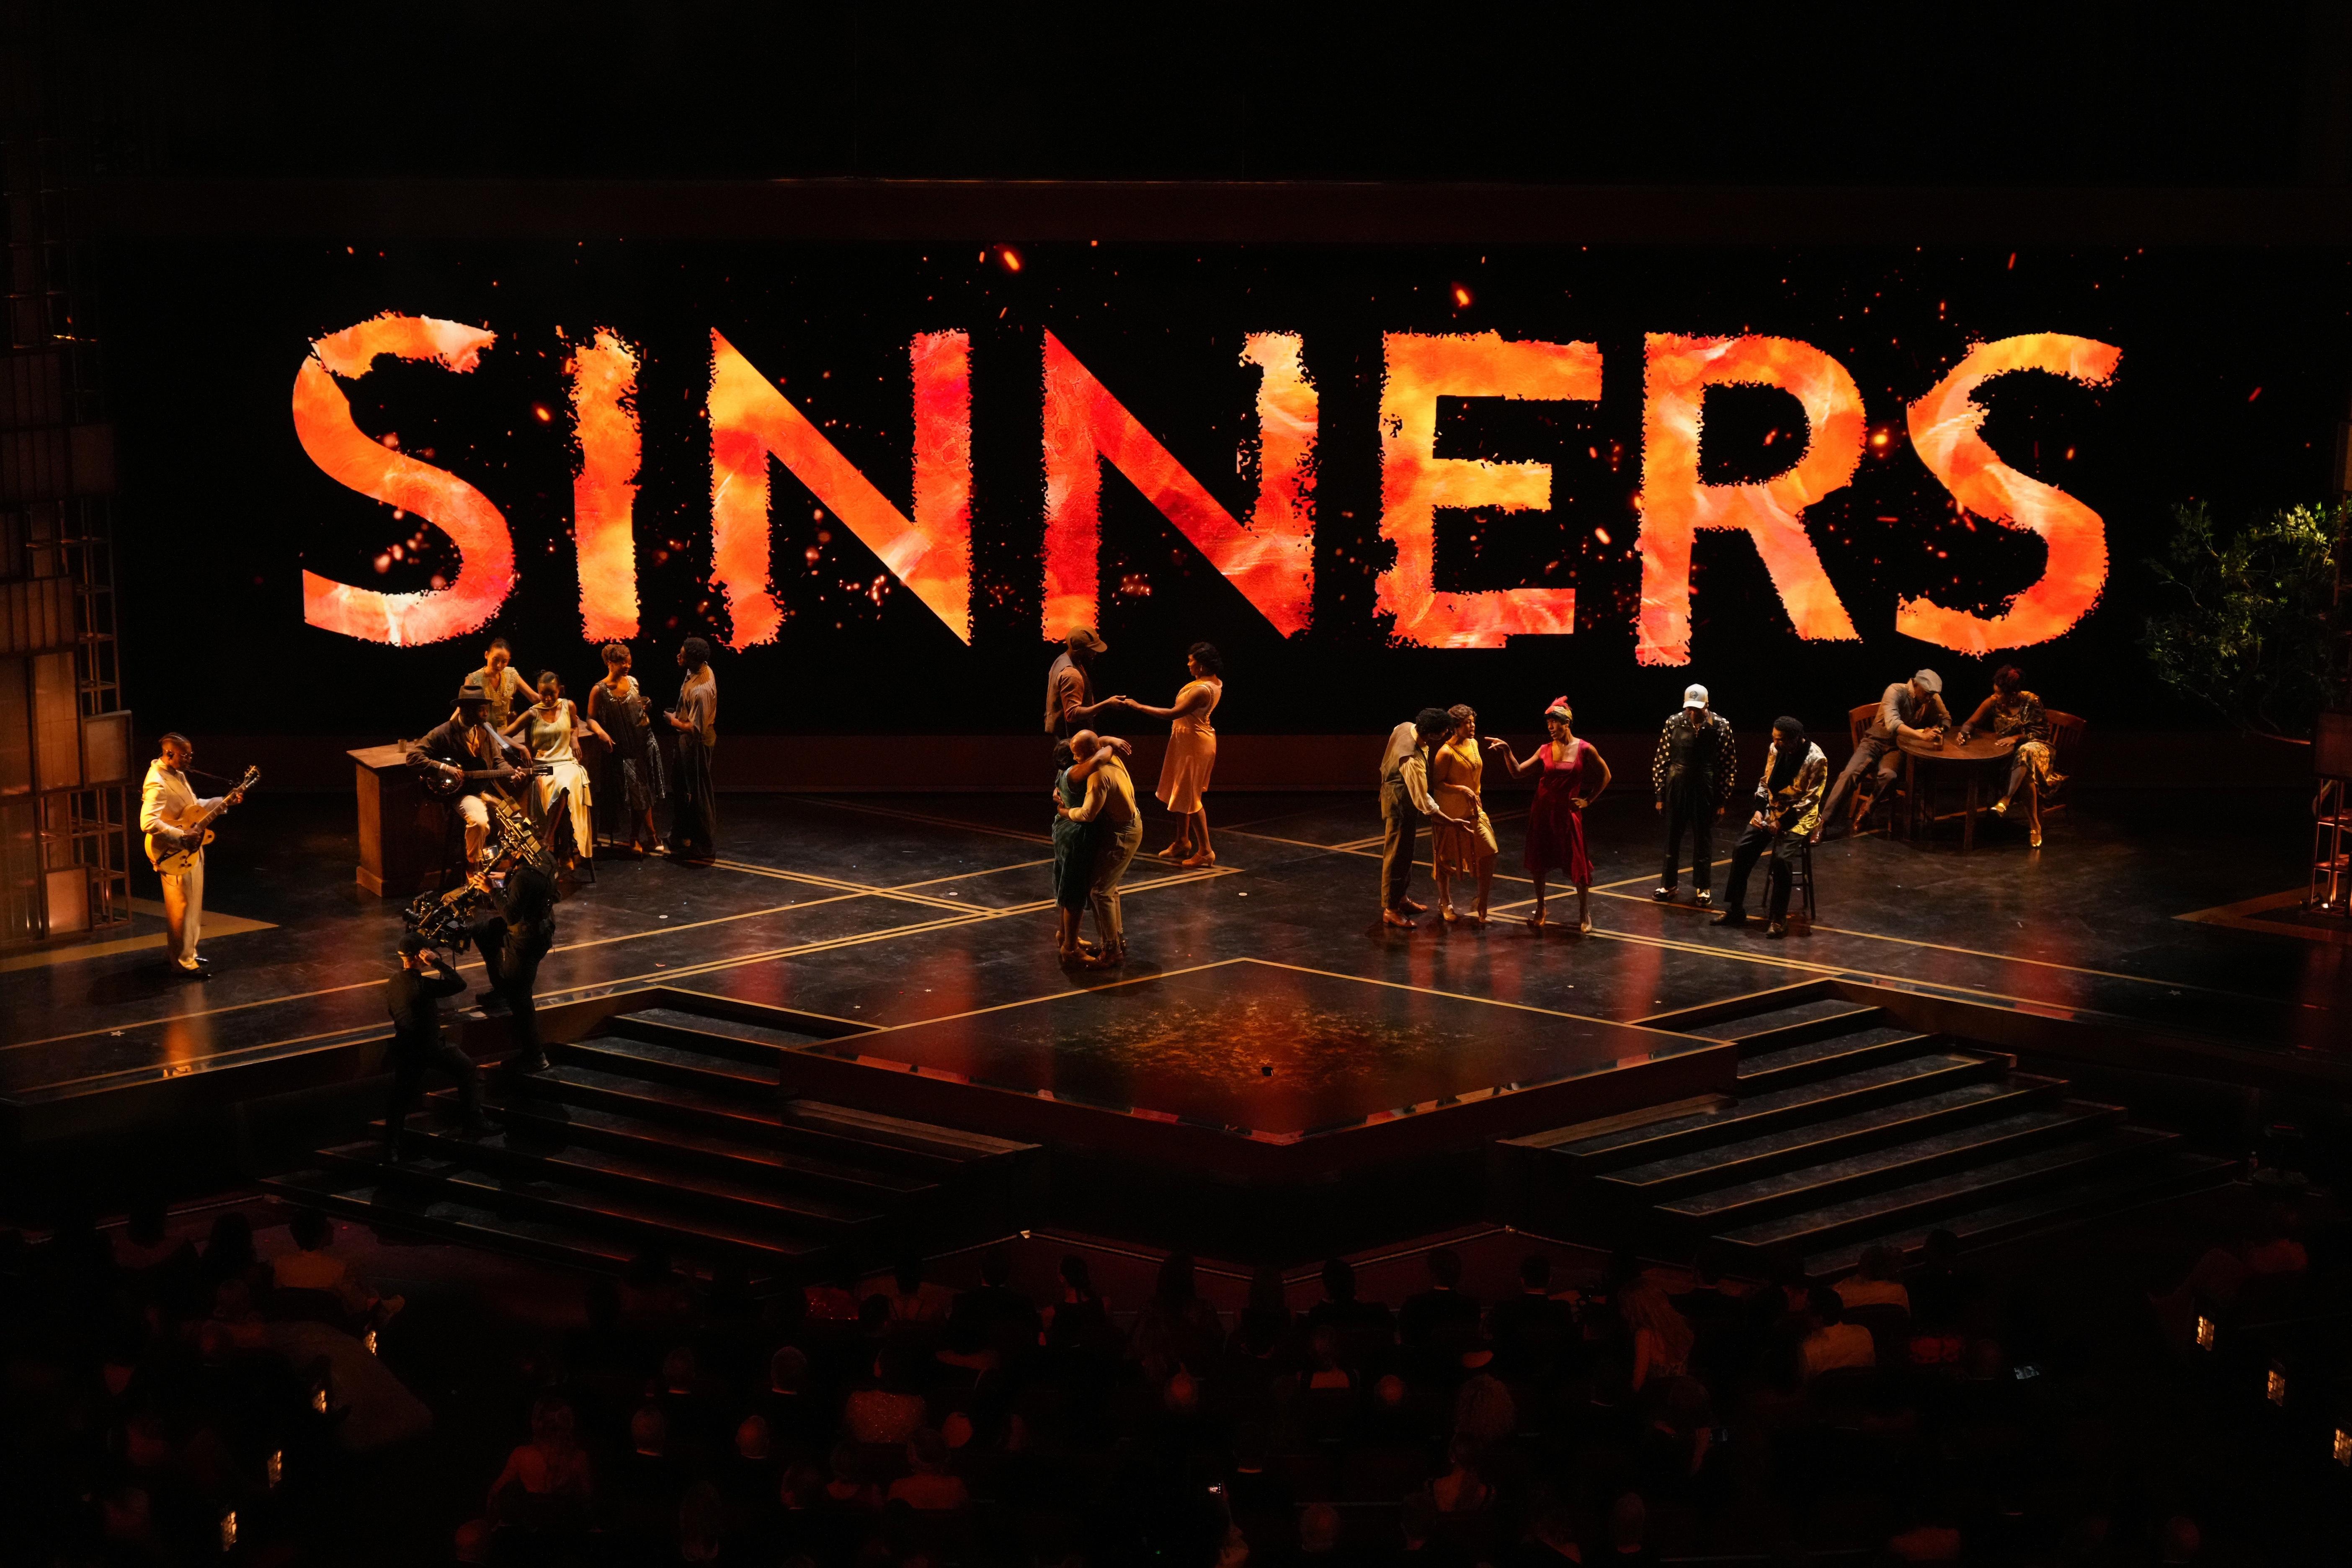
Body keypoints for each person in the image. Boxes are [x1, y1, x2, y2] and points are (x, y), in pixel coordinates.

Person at [1490, 697, 1611, 933]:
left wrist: (1588, 800)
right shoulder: (1545, 749)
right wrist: (1507, 751)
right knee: (1539, 862)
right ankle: (1541, 907)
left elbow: (1606, 776)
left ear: (1567, 723)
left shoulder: (1585, 749)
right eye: (1549, 725)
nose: (1551, 728)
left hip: (1568, 814)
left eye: (1555, 723)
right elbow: (1517, 773)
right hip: (1543, 812)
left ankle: (1584, 912)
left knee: (1577, 863)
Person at [1112, 641, 1223, 867]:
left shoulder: (1203, 690)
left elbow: (1172, 714)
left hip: (1195, 744)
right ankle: (1182, 841)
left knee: (1191, 797)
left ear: (1201, 666)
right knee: (1180, 791)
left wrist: (1137, 706)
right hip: (1186, 740)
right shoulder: (1208, 682)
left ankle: (1206, 851)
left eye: (1192, 661)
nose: (1188, 664)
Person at [1715, 716, 1826, 939]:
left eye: (1781, 740)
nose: (1776, 743)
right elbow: (1765, 782)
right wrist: (1759, 808)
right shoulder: (1775, 750)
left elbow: (1812, 800)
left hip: (1799, 816)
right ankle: (1736, 910)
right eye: (1774, 738)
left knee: (1781, 860)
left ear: (1796, 739)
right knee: (1742, 848)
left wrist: (1782, 822)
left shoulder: (1816, 759)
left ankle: (1779, 919)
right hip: (1773, 810)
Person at [139, 732, 240, 980]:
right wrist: (181, 838)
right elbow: (147, 822)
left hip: (189, 848)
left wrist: (223, 801)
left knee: (192, 904)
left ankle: (187, 953)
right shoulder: (157, 782)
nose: (189, 760)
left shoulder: (177, 774)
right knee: (182, 907)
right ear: (169, 754)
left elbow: (193, 807)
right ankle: (182, 962)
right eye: (185, 756)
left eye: (190, 755)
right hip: (174, 850)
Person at [408, 682, 535, 868]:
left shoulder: (486, 729)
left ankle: (512, 870)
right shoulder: (444, 732)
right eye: (481, 710)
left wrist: (511, 774)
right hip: (462, 794)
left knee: (516, 820)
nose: (485, 714)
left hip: (486, 789)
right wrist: (444, 768)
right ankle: (473, 869)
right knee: (480, 822)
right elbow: (413, 758)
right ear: (465, 710)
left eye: (485, 709)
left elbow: (497, 761)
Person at [383, 931, 485, 1160]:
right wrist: (438, 963)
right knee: (467, 1068)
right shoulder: (422, 985)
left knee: (400, 1099)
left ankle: (391, 1148)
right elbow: (459, 984)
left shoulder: (394, 981)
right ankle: (473, 1122)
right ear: (420, 956)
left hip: (405, 1047)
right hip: (429, 1047)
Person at [1819, 668, 1949, 837]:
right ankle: (1823, 824)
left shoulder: (1931, 699)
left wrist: (1938, 729)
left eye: (1932, 695)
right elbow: (1894, 724)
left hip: (1897, 747)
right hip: (1875, 742)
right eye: (1927, 694)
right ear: (1915, 684)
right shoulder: (1896, 690)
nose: (1930, 698)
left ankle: (1868, 809)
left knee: (1889, 776)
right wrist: (1921, 736)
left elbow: (1946, 718)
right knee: (1849, 775)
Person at [1377, 707, 1472, 929]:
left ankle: (1400, 899)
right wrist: (1449, 819)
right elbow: (1423, 801)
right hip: (1400, 802)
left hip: (1398, 794)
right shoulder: (1412, 759)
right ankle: (1391, 910)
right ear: (1433, 734)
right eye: (1444, 731)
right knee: (1397, 854)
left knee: (1406, 851)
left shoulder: (1404, 727)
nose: (1447, 734)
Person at [471, 840, 560, 1073]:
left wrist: (491, 890)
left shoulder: (524, 877)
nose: (506, 852)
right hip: (536, 926)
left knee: (520, 998)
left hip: (526, 939)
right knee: (483, 932)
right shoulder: (545, 859)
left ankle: (536, 1056)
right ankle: (501, 989)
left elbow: (510, 915)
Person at [1955, 663, 2066, 848]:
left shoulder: (2031, 701)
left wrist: (2016, 738)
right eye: (1995, 692)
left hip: (2039, 749)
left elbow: (2042, 734)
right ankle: (2035, 826)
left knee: (2026, 752)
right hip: (2009, 756)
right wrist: (1964, 732)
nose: (1995, 696)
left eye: (1999, 693)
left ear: (2013, 694)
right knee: (2027, 774)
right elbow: (1971, 723)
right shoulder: (1993, 703)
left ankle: (2006, 798)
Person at [507, 670, 608, 868]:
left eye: (552, 693)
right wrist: (521, 747)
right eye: (543, 693)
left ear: (559, 690)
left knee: (565, 784)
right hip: (543, 768)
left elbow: (574, 726)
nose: (548, 698)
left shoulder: (568, 706)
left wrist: (574, 738)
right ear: (538, 691)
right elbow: (505, 735)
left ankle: (549, 840)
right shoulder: (533, 713)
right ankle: (559, 849)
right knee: (561, 788)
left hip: (567, 763)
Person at [1059, 729, 1144, 964]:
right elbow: (1100, 742)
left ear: (1087, 753)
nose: (1075, 759)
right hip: (1130, 825)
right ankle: (1115, 941)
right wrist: (1112, 740)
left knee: (1100, 891)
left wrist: (1065, 812)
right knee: (1109, 888)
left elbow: (1087, 814)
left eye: (1077, 754)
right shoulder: (1112, 756)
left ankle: (1112, 952)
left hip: (1122, 833)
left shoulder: (1097, 775)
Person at [1649, 683, 1738, 906]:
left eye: (1697, 709)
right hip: (1677, 783)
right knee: (1672, 838)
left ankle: (1703, 887)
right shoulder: (1674, 722)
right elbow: (1661, 760)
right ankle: (1669, 885)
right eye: (1689, 708)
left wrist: (1722, 799)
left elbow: (1728, 765)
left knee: (1703, 839)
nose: (1693, 713)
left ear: (1707, 705)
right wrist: (1660, 795)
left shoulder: (1721, 726)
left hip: (1705, 785)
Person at [589, 642, 665, 856]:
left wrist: (644, 705)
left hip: (645, 743)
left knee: (644, 791)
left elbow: (637, 708)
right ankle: (647, 835)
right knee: (638, 792)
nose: (627, 666)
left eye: (629, 661)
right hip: (625, 749)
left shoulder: (633, 682)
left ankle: (641, 836)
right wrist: (602, 733)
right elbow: (590, 719)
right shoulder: (599, 690)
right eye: (621, 662)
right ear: (609, 663)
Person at [1428, 704, 1500, 925]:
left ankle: (1482, 902)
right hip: (1450, 813)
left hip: (1473, 812)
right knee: (1444, 859)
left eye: (1473, 721)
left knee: (1490, 851)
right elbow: (1437, 784)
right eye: (1468, 722)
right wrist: (1462, 789)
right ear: (1455, 726)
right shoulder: (1446, 753)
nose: (1472, 726)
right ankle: (1445, 902)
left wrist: (1473, 791)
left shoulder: (1475, 744)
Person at [667, 637, 719, 863]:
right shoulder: (694, 671)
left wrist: (673, 722)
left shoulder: (702, 689)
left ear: (694, 660)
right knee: (679, 786)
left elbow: (696, 730)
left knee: (699, 794)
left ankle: (705, 845)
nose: (679, 657)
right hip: (685, 741)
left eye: (683, 655)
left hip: (696, 743)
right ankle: (681, 835)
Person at [1043, 627, 1118, 743]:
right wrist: (1107, 704)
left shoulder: (1062, 660)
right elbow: (1073, 714)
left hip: (1070, 737)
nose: (1095, 654)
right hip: (1073, 740)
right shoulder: (1071, 674)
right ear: (1079, 650)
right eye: (1091, 650)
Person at [469, 636, 534, 732]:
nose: (499, 665)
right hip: (481, 732)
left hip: (507, 732)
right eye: (496, 659)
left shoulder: (511, 675)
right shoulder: (473, 679)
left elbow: (534, 697)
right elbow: (461, 711)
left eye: (504, 662)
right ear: (487, 655)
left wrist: (560, 706)